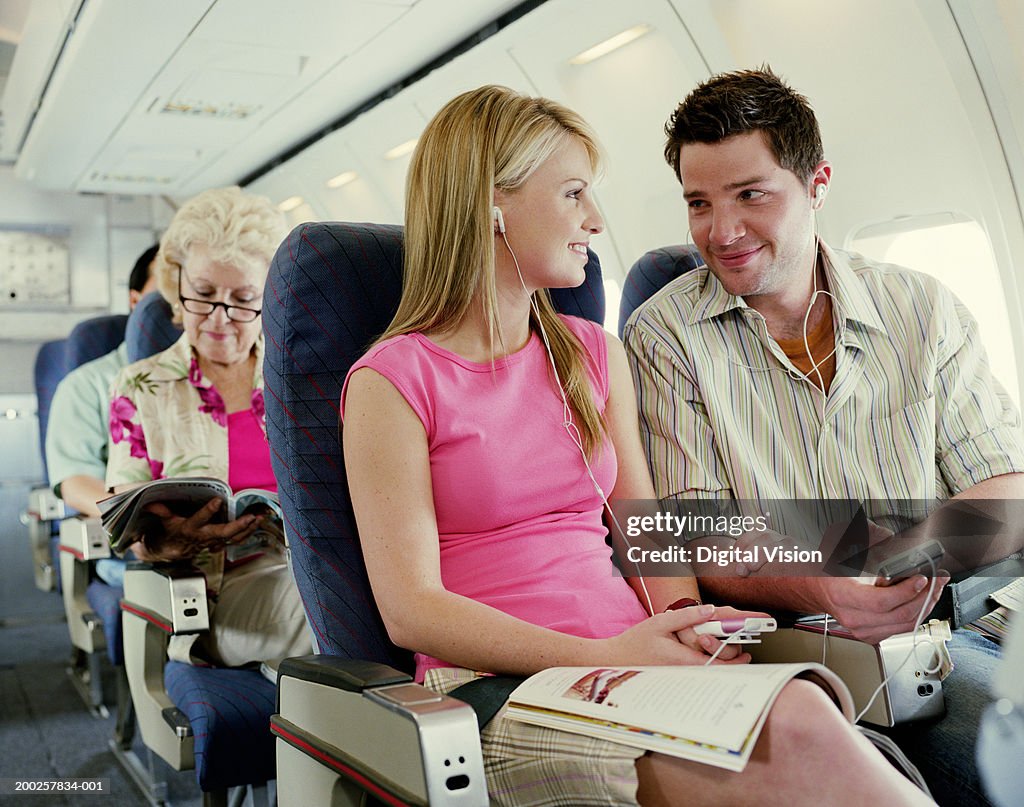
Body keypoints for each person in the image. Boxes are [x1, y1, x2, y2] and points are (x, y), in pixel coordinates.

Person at [342, 84, 932, 807]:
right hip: (493, 692)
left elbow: (646, 534)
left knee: (812, 713)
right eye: (572, 194)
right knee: (790, 743)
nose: (594, 220)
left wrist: (686, 625)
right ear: (489, 206)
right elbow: (413, 609)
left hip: (631, 662)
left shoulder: (592, 353)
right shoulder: (393, 380)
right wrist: (603, 654)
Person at [622, 67, 1024, 806]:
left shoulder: (923, 309)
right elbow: (689, 535)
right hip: (790, 642)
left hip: (951, 612)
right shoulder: (663, 335)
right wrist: (823, 579)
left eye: (751, 195)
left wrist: (914, 556)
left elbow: (1005, 487)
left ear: (817, 183)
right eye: (699, 204)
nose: (722, 231)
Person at [105, 186, 311, 668]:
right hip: (213, 597)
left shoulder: (299, 378)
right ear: (177, 286)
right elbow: (127, 527)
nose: (220, 320)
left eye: (242, 300)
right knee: (346, 611)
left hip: (310, 571)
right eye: (202, 295)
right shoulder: (139, 386)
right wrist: (167, 541)